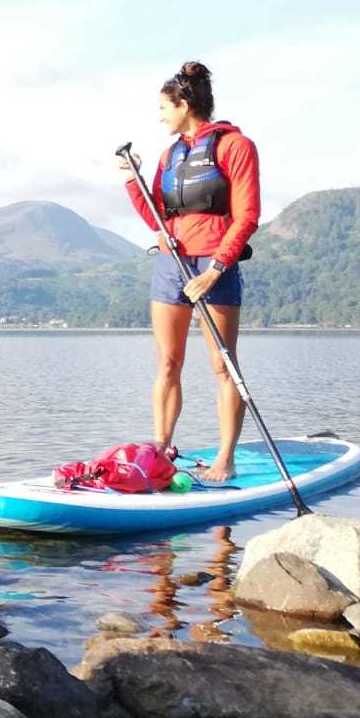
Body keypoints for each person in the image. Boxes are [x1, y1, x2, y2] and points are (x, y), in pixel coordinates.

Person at [118, 61, 260, 482]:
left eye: (164, 106)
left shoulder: (235, 147)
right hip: (170, 265)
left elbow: (248, 215)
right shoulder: (170, 153)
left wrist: (215, 270)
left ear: (184, 104)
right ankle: (159, 451)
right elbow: (156, 219)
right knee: (167, 363)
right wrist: (133, 180)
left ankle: (226, 458)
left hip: (213, 264)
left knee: (223, 365)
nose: (160, 115)